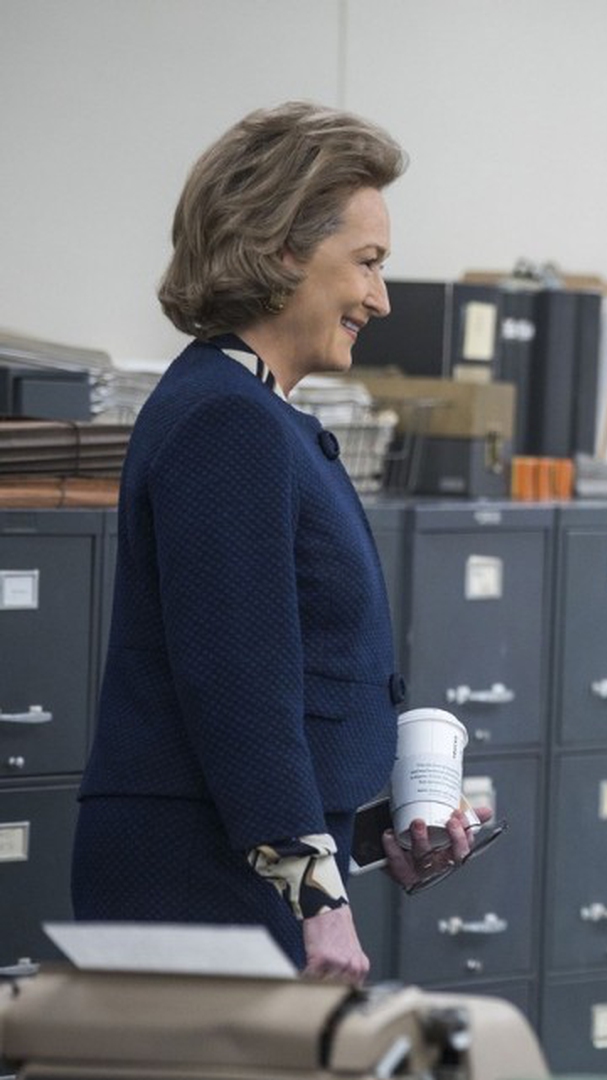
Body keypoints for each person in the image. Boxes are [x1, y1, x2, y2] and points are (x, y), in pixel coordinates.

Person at [72, 101, 483, 982]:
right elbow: (238, 688)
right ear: (284, 248)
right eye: (366, 264)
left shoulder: (254, 410)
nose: (379, 298)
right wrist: (319, 898)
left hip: (230, 864)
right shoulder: (229, 419)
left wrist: (372, 839)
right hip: (198, 882)